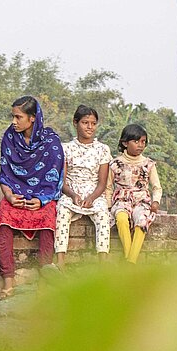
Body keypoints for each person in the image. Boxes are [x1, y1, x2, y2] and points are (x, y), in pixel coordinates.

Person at [0, 96, 64, 297]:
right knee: (3, 218)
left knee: (48, 217)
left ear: (32, 118)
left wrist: (42, 199)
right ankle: (9, 280)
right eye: (13, 117)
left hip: (41, 196)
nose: (14, 122)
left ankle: (45, 278)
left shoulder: (51, 142)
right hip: (15, 194)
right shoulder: (9, 137)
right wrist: (8, 196)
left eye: (18, 117)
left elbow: (55, 177)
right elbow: (4, 173)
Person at [55, 105, 112, 266]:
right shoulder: (66, 148)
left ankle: (103, 262)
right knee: (62, 211)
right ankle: (60, 261)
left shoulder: (102, 149)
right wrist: (73, 195)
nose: (89, 127)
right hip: (71, 192)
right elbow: (62, 181)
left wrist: (92, 198)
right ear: (75, 123)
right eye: (85, 122)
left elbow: (102, 183)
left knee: (103, 215)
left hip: (94, 193)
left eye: (93, 123)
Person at [107, 124, 162, 264]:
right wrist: (108, 205)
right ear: (125, 143)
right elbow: (108, 187)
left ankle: (130, 261)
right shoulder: (115, 163)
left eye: (143, 142)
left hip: (142, 201)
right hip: (121, 200)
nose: (140, 145)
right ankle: (128, 256)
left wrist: (155, 202)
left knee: (142, 220)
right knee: (121, 218)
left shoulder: (149, 164)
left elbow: (156, 187)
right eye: (136, 141)